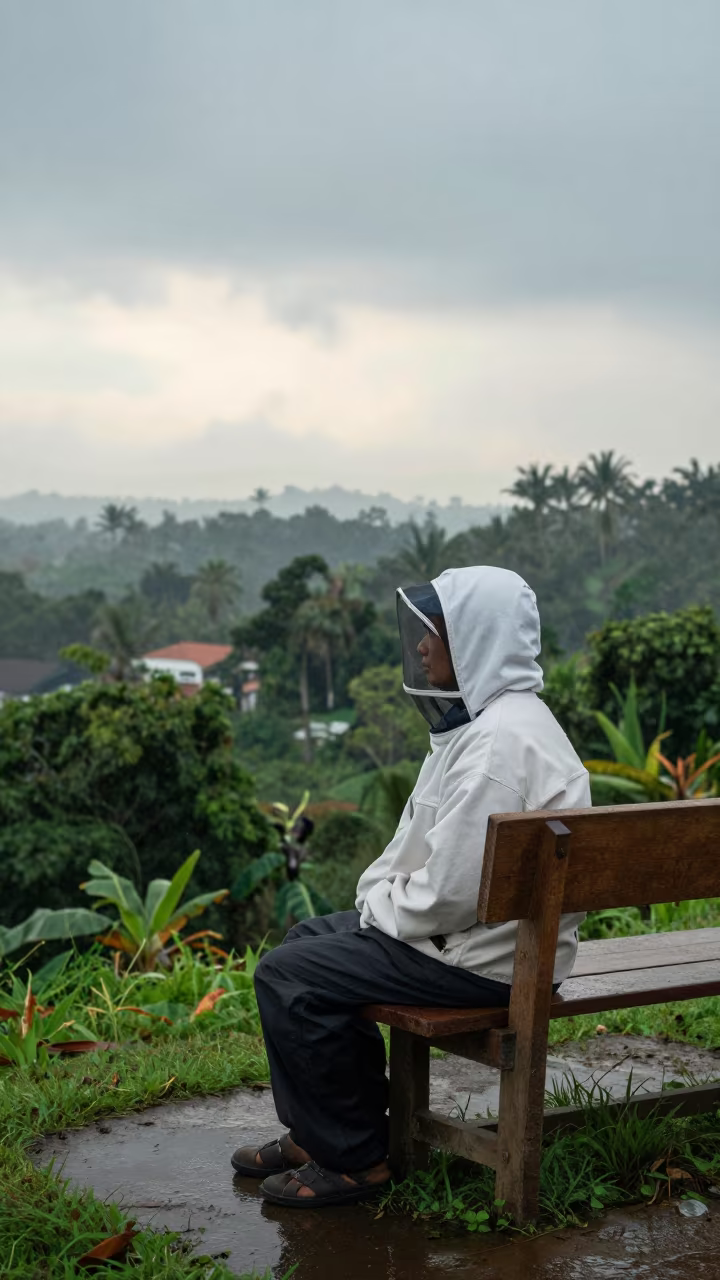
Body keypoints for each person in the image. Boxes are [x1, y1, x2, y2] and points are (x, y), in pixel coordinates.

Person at [231, 566, 590, 1208]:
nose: (421, 647)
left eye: (436, 633)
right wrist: (379, 907)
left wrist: (378, 906)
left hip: (483, 962)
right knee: (306, 940)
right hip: (501, 947)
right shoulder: (504, 724)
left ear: (477, 639)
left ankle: (355, 1159)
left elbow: (445, 896)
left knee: (289, 974)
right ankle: (326, 1131)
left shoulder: (495, 749)